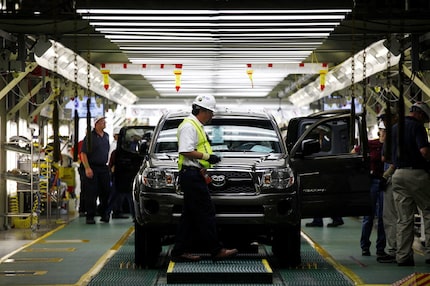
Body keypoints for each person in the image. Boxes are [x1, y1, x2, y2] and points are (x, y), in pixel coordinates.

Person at [170, 94, 238, 262]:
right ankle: (216, 250)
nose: (212, 116)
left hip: (194, 174)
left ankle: (179, 252)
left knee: (189, 215)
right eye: (211, 113)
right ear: (203, 111)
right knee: (206, 212)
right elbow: (185, 150)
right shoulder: (189, 126)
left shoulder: (195, 125)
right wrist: (208, 157)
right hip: (191, 175)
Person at [391, 101, 430, 266]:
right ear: (420, 114)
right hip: (417, 175)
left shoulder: (394, 128)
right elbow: (424, 151)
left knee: (404, 219)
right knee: (428, 212)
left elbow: (385, 157)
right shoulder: (417, 127)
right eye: (425, 119)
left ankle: (403, 257)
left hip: (398, 175)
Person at [360, 121, 387, 257]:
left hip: (385, 183)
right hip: (372, 182)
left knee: (382, 217)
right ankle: (365, 246)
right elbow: (355, 153)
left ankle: (380, 248)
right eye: (383, 131)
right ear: (379, 131)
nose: (385, 134)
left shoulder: (392, 146)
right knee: (368, 217)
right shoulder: (372, 144)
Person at [80, 115, 112, 224]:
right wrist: (87, 168)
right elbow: (83, 153)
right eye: (103, 122)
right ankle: (90, 216)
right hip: (92, 167)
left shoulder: (106, 136)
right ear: (97, 124)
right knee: (91, 193)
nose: (105, 123)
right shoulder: (90, 137)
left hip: (103, 167)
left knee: (106, 191)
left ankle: (104, 213)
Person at [105, 127, 129, 219]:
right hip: (117, 173)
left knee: (119, 194)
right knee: (116, 193)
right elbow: (112, 161)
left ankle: (116, 211)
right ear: (115, 136)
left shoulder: (120, 145)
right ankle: (111, 212)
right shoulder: (114, 146)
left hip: (120, 173)